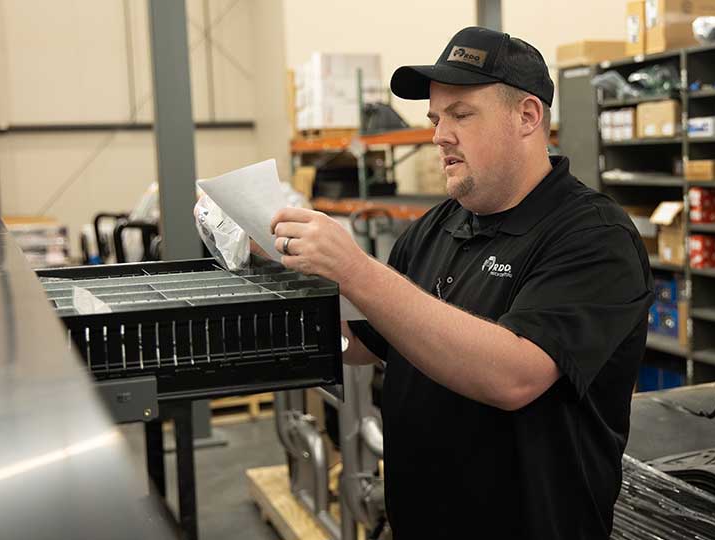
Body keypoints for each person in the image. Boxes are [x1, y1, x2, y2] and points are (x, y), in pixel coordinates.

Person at [269, 26, 653, 540]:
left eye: (461, 115)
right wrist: (279, 270)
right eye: (435, 118)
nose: (439, 135)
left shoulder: (593, 237)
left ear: (527, 116)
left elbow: (512, 376)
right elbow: (366, 341)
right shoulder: (436, 227)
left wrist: (356, 269)